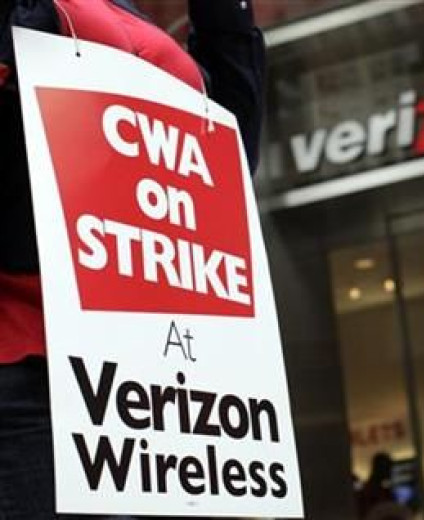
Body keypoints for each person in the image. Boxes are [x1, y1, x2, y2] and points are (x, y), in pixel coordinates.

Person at [0, 1, 265, 517]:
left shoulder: (127, 14)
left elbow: (226, 163)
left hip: (165, 395)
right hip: (37, 375)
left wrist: (226, 18)